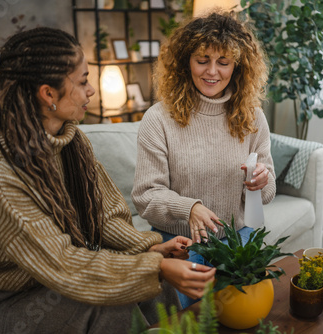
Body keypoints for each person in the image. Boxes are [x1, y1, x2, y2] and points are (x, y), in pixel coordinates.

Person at [0, 27, 215, 333]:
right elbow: (62, 263)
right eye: (82, 81)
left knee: (157, 285)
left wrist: (151, 250)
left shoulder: (72, 141)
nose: (91, 90)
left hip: (45, 285)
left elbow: (104, 217)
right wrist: (154, 266)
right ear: (48, 94)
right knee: (108, 303)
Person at [131, 10, 276, 308]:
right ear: (186, 62)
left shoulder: (253, 116)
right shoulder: (158, 119)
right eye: (202, 61)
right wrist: (189, 208)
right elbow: (146, 197)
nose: (212, 71)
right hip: (181, 248)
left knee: (246, 319)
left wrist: (260, 182)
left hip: (240, 244)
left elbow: (268, 191)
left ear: (237, 66)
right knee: (189, 326)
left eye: (223, 62)